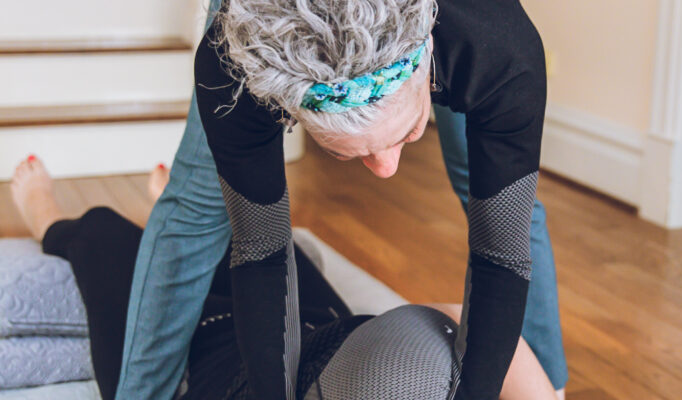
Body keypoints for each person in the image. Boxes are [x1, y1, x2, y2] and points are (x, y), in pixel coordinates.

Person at [118, 1, 567, 399]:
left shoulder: (499, 49)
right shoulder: (231, 67)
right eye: (343, 153)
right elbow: (261, 250)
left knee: (501, 203)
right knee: (202, 198)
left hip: (459, 30)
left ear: (430, 58)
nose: (387, 169)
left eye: (408, 131)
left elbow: (500, 252)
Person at [8, 156, 557, 399]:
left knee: (101, 231)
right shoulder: (404, 372)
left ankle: (47, 211)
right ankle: (181, 206)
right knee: (268, 242)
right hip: (325, 334)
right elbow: (470, 323)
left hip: (202, 357)